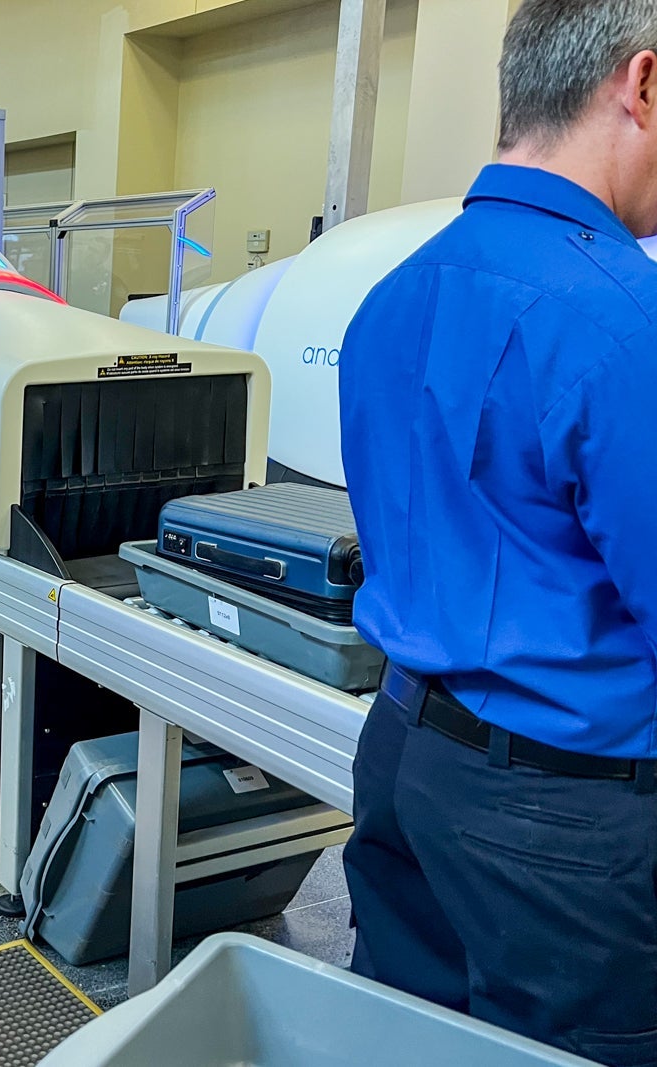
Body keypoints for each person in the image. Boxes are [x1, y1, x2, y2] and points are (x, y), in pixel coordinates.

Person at [338, 3, 657, 1063]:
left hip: (404, 758)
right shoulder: (625, 320)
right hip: (562, 822)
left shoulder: (390, 295)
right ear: (641, 84)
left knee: (404, 1041)